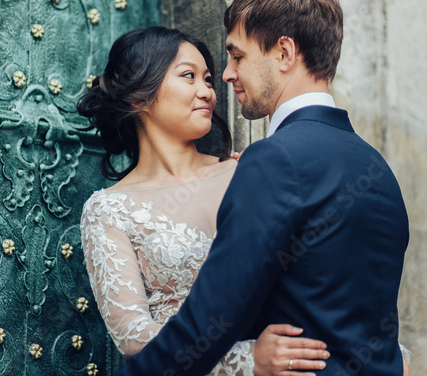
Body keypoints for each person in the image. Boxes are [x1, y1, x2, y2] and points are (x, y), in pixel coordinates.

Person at [111, 0, 410, 376]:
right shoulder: (378, 169)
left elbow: (211, 319)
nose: (228, 75)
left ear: (285, 54)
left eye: (238, 56)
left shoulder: (274, 160)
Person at [78, 26, 330, 375]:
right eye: (189, 76)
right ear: (138, 96)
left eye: (209, 80)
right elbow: (132, 335)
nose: (208, 92)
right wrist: (247, 359)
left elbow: (318, 271)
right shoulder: (108, 210)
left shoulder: (249, 172)